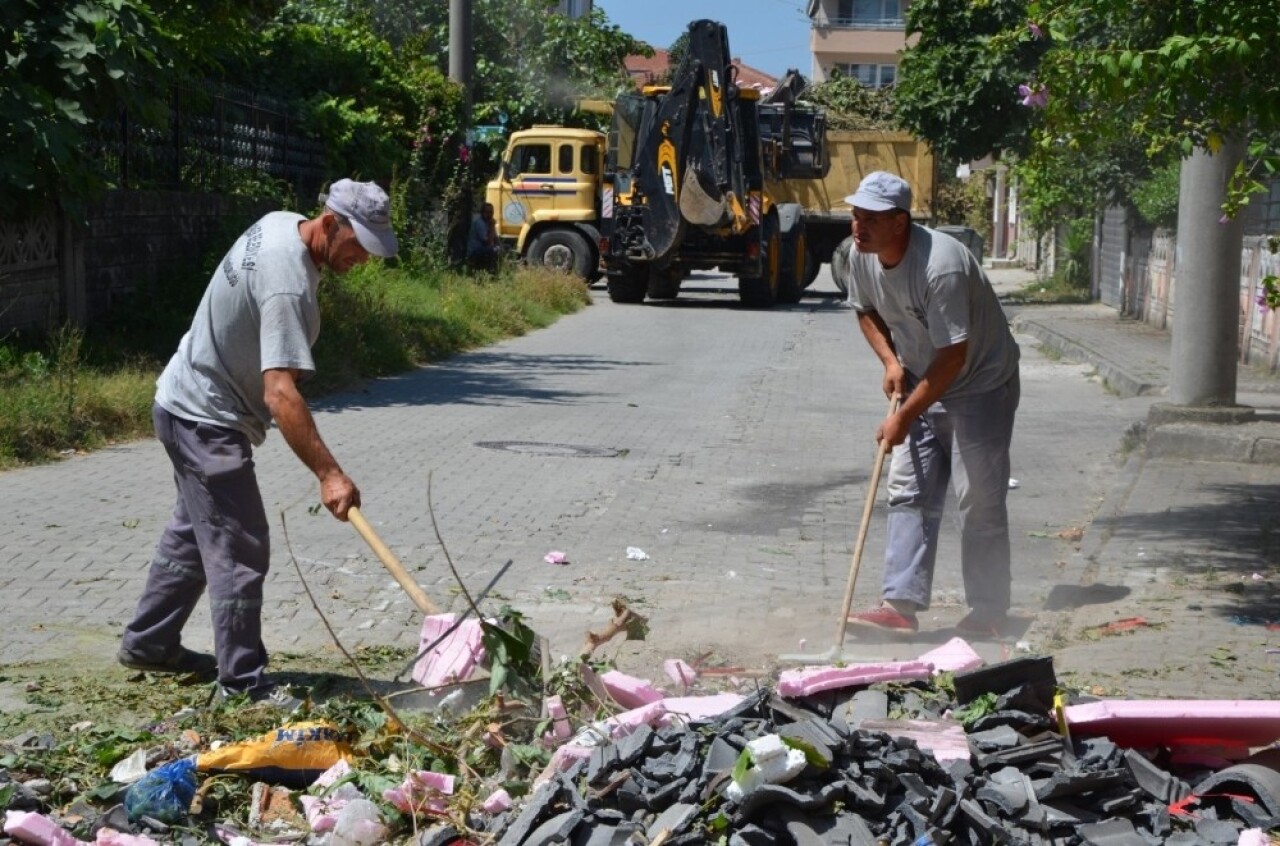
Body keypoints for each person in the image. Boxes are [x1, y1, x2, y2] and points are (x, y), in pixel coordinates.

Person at [118, 179, 398, 709]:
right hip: (205, 418)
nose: (362, 259)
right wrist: (329, 473)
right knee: (241, 545)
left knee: (195, 535)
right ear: (331, 223)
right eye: (358, 245)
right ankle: (243, 683)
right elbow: (281, 393)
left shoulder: (279, 224)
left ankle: (149, 642)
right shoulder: (288, 284)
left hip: (183, 400)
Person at [840, 171, 1021, 637]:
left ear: (900, 222)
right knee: (908, 489)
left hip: (980, 382)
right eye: (855, 216)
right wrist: (889, 361)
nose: (858, 226)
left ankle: (989, 612)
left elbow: (954, 357)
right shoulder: (861, 254)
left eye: (870, 219)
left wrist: (903, 416)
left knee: (977, 498)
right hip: (922, 376)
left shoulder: (941, 266)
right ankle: (899, 605)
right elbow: (865, 309)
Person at [467, 201, 500, 272]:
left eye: (491, 212)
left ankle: (496, 271)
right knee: (492, 250)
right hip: (475, 251)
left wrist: (499, 246)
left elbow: (495, 238)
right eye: (487, 212)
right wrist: (491, 227)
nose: (489, 214)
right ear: (482, 212)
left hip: (483, 249)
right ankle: (490, 271)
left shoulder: (489, 222)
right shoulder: (480, 223)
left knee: (500, 248)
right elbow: (487, 242)